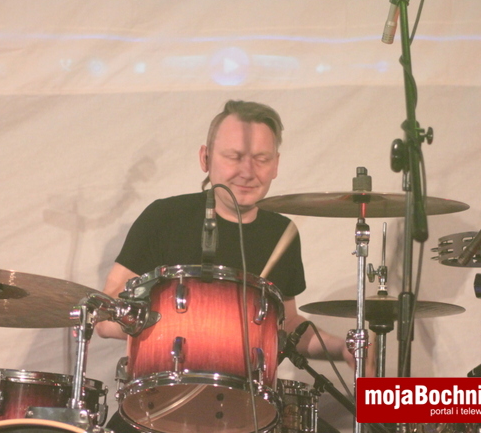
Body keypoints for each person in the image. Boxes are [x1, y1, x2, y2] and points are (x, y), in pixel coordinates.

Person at [96, 100, 359, 432]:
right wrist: (165, 327)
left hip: (248, 409)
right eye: (234, 156)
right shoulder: (164, 217)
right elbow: (106, 315)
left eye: (261, 159)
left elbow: (287, 324)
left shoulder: (281, 232)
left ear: (276, 164)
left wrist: (344, 348)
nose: (247, 171)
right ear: (205, 158)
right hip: (163, 404)